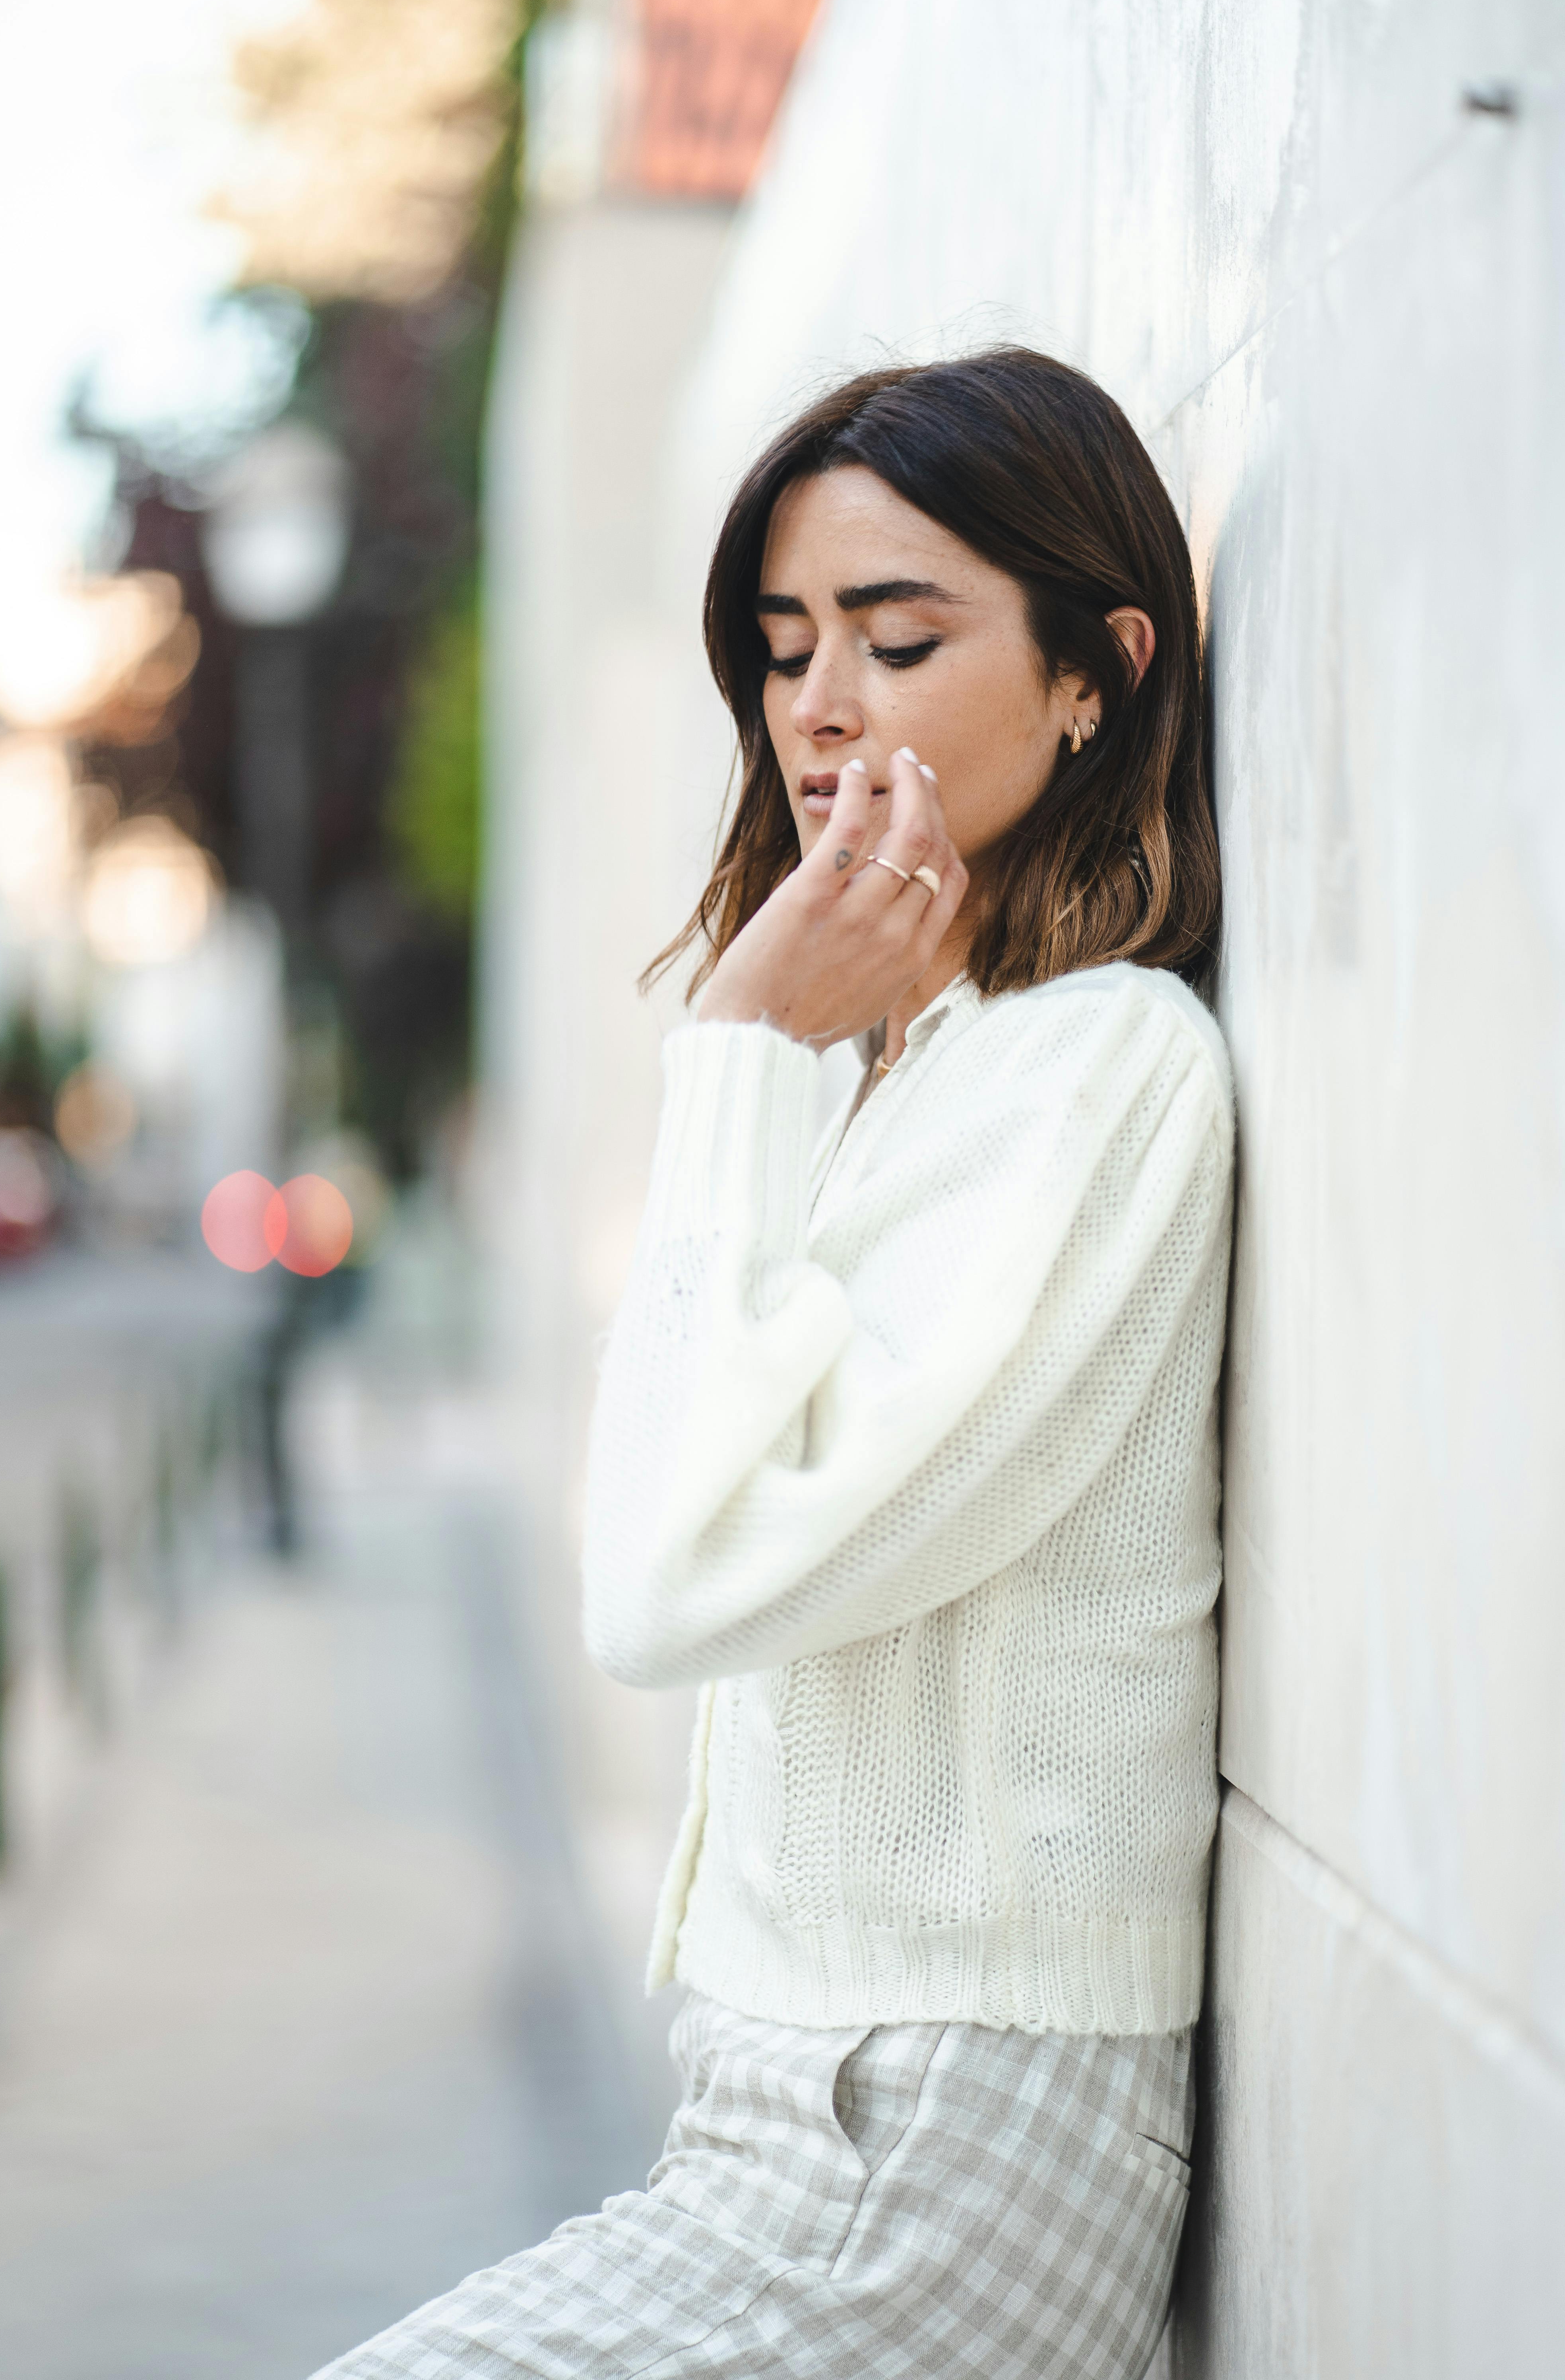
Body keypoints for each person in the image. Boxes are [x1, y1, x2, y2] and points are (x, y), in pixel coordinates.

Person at [315, 347, 1233, 2380]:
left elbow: (667, 1585)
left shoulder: (1102, 1075)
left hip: (940, 2140)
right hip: (792, 2105)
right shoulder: (912, 1070)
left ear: (1099, 671)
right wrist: (780, 1067)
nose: (818, 708)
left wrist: (735, 1050)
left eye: (900, 642)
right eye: (784, 642)